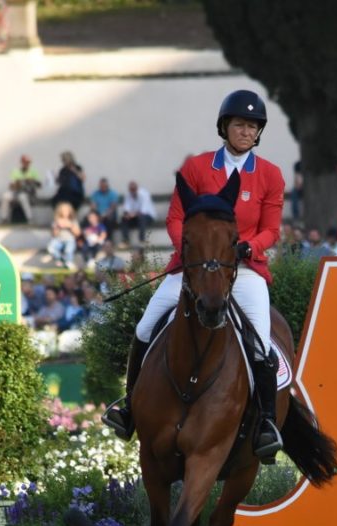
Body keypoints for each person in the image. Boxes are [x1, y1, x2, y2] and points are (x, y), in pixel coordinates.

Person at [103, 89, 285, 460]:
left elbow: (272, 229)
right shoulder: (198, 168)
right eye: (239, 125)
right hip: (194, 269)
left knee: (261, 343)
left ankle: (265, 422)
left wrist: (250, 247)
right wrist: (192, 252)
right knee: (145, 326)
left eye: (253, 127)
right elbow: (175, 218)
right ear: (224, 127)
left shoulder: (269, 175)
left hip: (244, 269)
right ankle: (129, 408)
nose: (246, 132)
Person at [0, 155, 41, 224]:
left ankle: (30, 218)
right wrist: (17, 184)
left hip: (29, 193)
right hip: (16, 191)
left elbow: (39, 185)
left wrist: (32, 181)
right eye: (25, 162)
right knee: (5, 196)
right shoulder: (15, 171)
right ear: (21, 163)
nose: (26, 164)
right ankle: (4, 218)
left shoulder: (33, 171)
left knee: (23, 197)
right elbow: (11, 186)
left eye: (28, 163)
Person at [118, 180, 156, 246]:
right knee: (124, 218)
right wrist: (126, 215)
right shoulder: (128, 195)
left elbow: (143, 211)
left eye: (133, 189)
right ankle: (126, 240)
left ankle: (142, 240)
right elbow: (126, 209)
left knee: (141, 218)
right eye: (131, 189)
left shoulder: (144, 194)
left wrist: (132, 215)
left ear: (137, 188)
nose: (132, 191)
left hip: (148, 216)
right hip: (135, 217)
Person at [47, 202, 80, 270]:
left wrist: (70, 226)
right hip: (59, 240)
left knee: (69, 250)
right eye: (63, 211)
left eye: (67, 211)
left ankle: (68, 262)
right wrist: (58, 227)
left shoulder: (73, 221)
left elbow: (78, 233)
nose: (65, 213)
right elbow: (53, 234)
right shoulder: (56, 221)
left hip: (69, 239)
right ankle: (60, 259)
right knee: (51, 248)